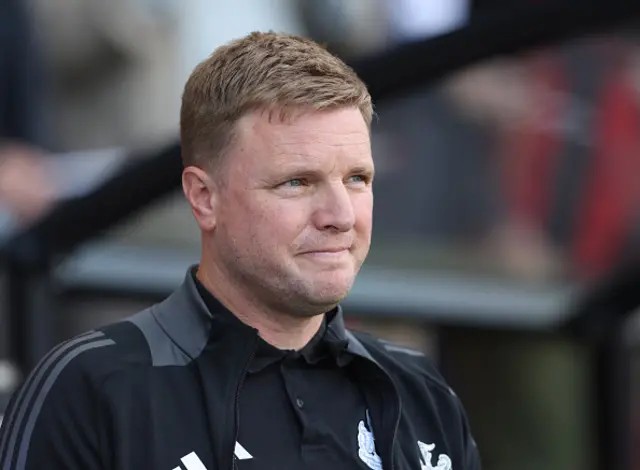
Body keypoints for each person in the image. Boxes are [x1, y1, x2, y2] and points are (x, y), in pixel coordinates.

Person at [0, 31, 482, 470]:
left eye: (357, 179)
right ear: (204, 198)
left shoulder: (422, 393)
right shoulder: (91, 389)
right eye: (297, 182)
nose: (340, 214)